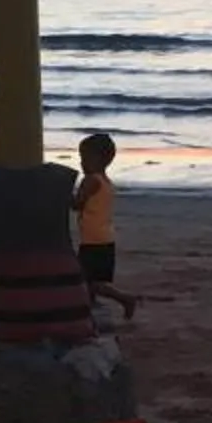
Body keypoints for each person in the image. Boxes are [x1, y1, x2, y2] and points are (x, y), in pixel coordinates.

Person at [73, 131, 138, 324]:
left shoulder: (91, 181)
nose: (82, 163)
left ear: (100, 159)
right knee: (91, 280)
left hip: (93, 240)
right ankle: (90, 308)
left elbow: (76, 204)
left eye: (85, 158)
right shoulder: (106, 181)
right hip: (104, 237)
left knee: (90, 282)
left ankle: (124, 298)